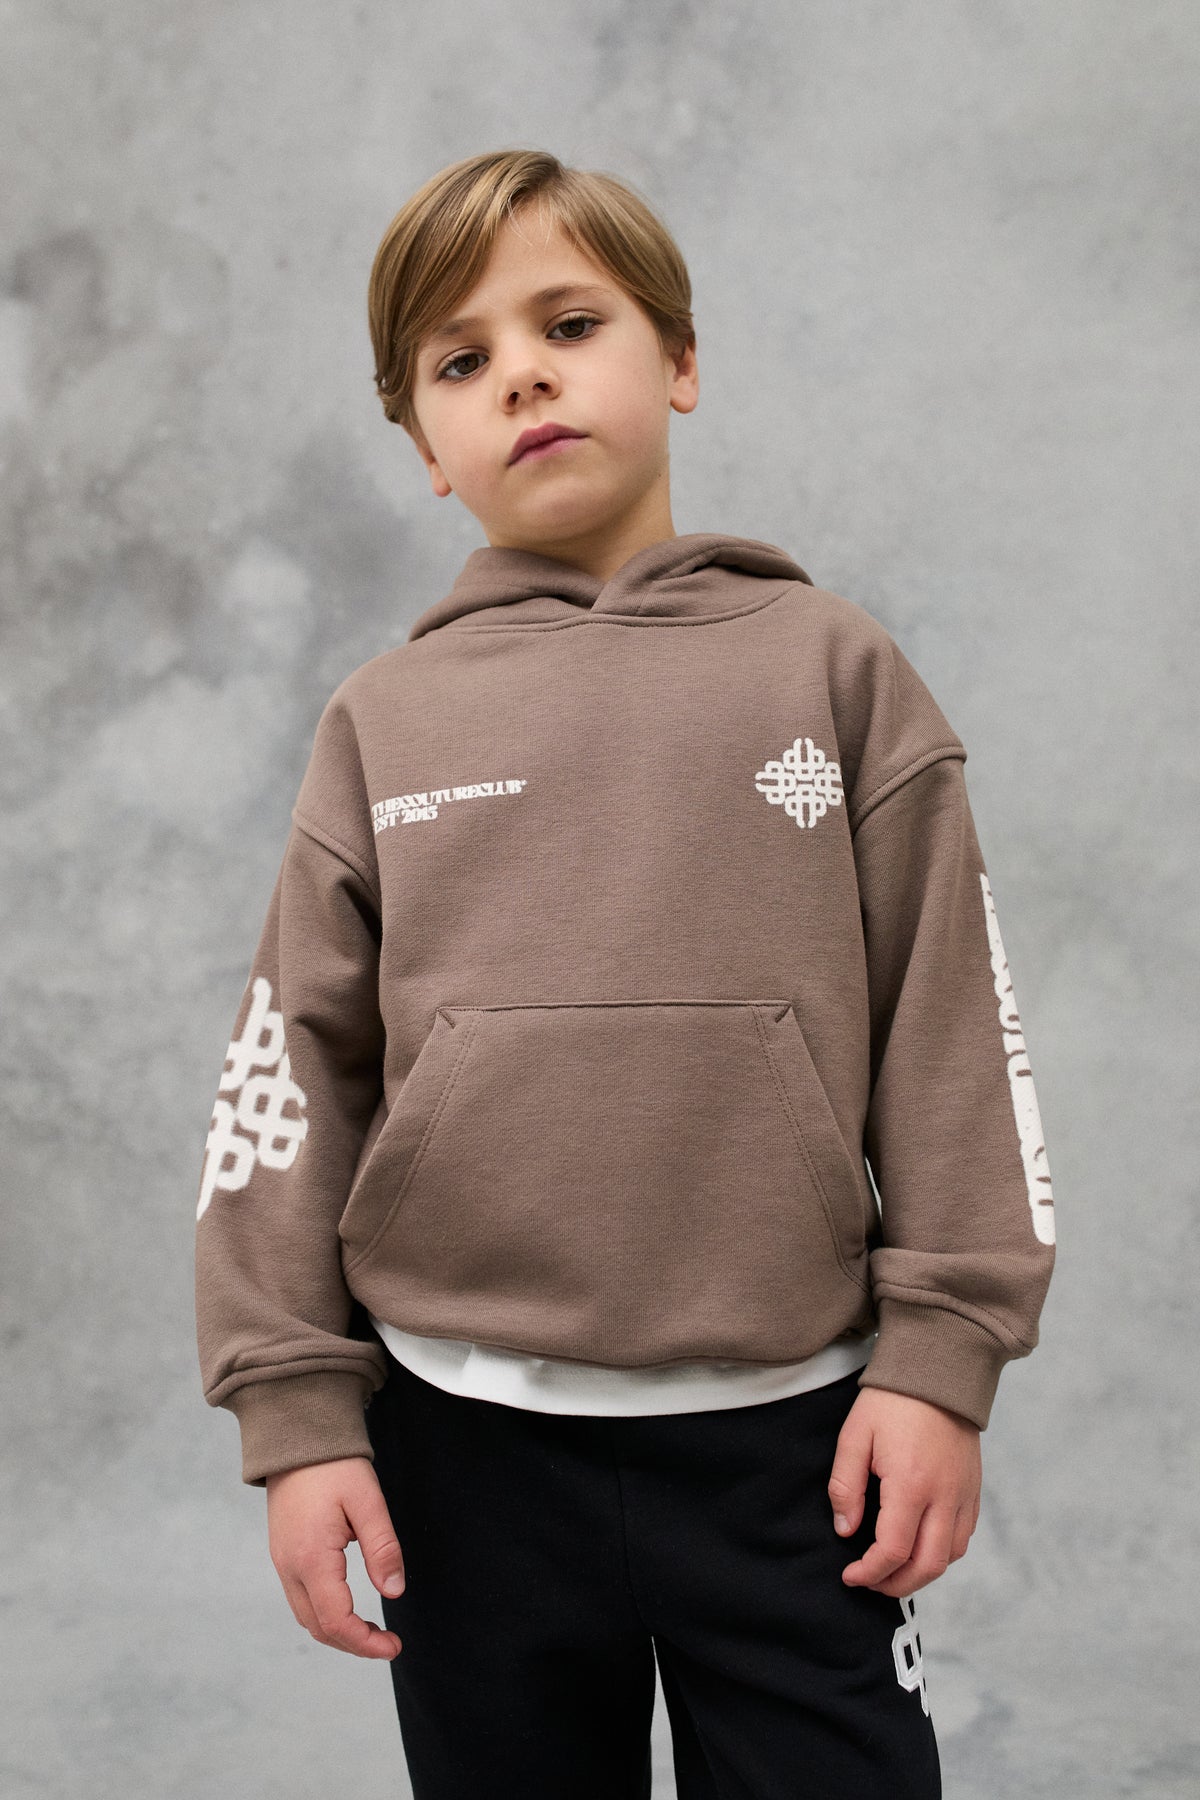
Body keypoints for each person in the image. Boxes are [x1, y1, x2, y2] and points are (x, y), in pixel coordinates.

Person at [193, 146, 1056, 1799]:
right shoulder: (383, 723)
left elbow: (955, 1033)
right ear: (426, 447)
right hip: (461, 1446)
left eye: (569, 323)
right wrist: (293, 1414)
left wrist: (943, 1360)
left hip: (798, 1444)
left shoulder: (836, 672)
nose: (521, 374)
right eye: (461, 361)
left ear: (678, 359)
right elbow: (284, 1077)